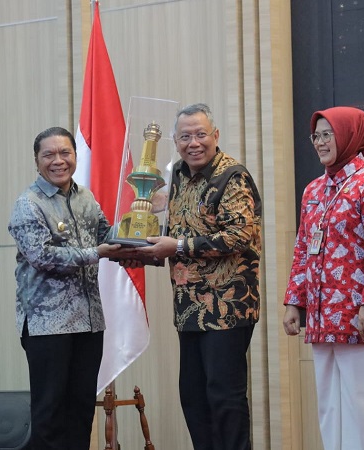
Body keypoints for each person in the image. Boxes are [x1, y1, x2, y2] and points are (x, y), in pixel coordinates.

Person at [130, 103, 262, 450]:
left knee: (225, 398)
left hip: (228, 309)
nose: (194, 142)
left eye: (201, 134)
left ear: (215, 136)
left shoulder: (232, 176)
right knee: (193, 397)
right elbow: (168, 231)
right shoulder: (177, 177)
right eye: (185, 136)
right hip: (189, 308)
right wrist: (139, 245)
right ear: (175, 141)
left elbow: (238, 235)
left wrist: (177, 245)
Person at [283, 106, 364, 450]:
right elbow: (304, 246)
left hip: (363, 318)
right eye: (315, 136)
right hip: (323, 318)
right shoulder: (313, 190)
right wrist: (294, 300)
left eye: (327, 134)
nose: (320, 143)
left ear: (349, 136)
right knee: (330, 410)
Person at [8, 126, 125, 449]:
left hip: (88, 323)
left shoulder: (84, 196)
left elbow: (106, 233)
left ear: (75, 156)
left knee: (81, 411)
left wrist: (143, 220)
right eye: (49, 155)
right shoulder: (28, 204)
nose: (58, 161)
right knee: (50, 414)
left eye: (65, 153)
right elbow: (42, 256)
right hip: (48, 327)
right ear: (37, 161)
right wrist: (95, 254)